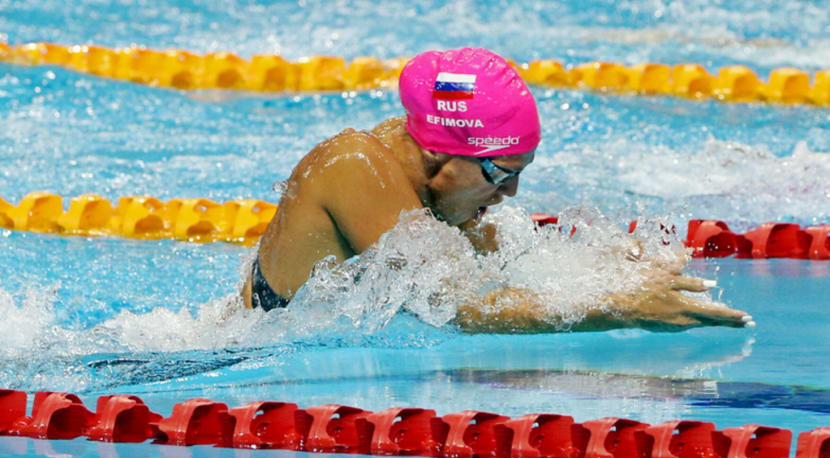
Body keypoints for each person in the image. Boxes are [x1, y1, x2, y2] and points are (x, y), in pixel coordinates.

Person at [242, 47, 752, 332]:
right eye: (499, 174)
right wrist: (622, 307)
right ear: (440, 152)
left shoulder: (438, 188)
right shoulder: (356, 168)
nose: (508, 195)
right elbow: (460, 307)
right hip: (249, 356)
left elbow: (509, 264)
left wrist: (611, 265)